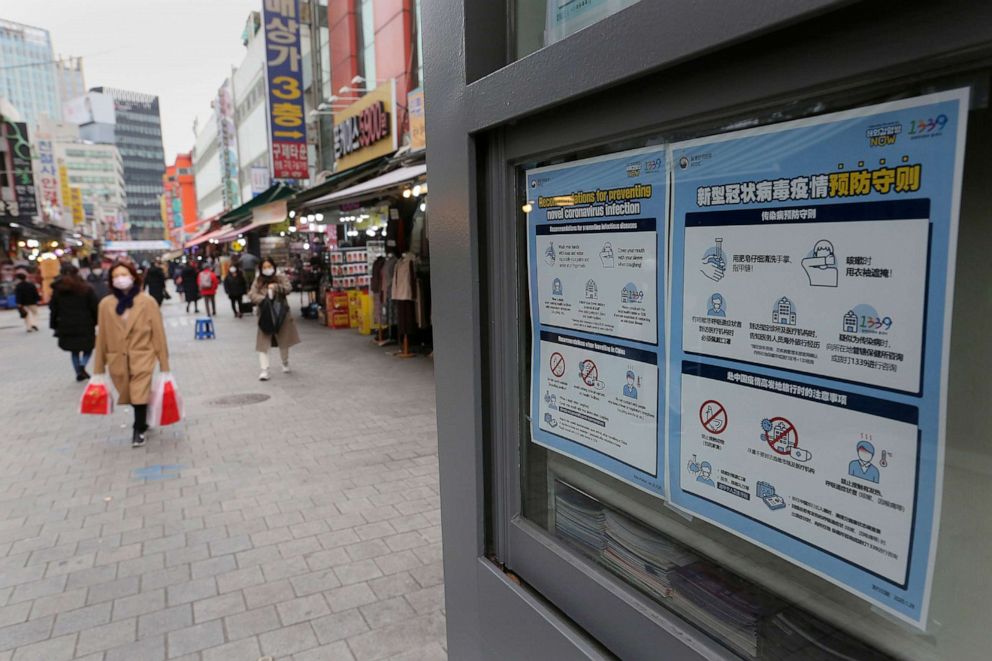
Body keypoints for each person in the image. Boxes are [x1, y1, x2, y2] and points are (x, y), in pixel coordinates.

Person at [93, 260, 171, 448]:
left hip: (143, 355)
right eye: (116, 276)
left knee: (138, 392)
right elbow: (102, 335)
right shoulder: (106, 304)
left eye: (124, 275)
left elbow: (158, 333)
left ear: (133, 277)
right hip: (117, 358)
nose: (120, 279)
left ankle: (138, 429)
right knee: (128, 394)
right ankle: (144, 413)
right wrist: (98, 367)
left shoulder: (147, 302)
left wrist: (164, 363)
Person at [248, 257, 301, 381]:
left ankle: (285, 362)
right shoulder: (258, 280)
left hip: (281, 314)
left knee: (284, 340)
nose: (267, 269)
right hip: (265, 315)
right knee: (263, 344)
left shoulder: (280, 277)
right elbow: (251, 294)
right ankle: (264, 370)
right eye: (264, 267)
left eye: (269, 266)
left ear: (273, 266)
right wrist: (263, 299)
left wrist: (276, 287)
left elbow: (288, 288)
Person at [49, 265, 99, 381]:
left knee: (74, 350)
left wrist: (54, 324)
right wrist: (96, 320)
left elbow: (53, 309)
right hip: (85, 323)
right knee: (88, 348)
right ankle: (82, 366)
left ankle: (78, 371)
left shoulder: (58, 289)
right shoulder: (86, 288)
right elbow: (94, 306)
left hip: (66, 324)